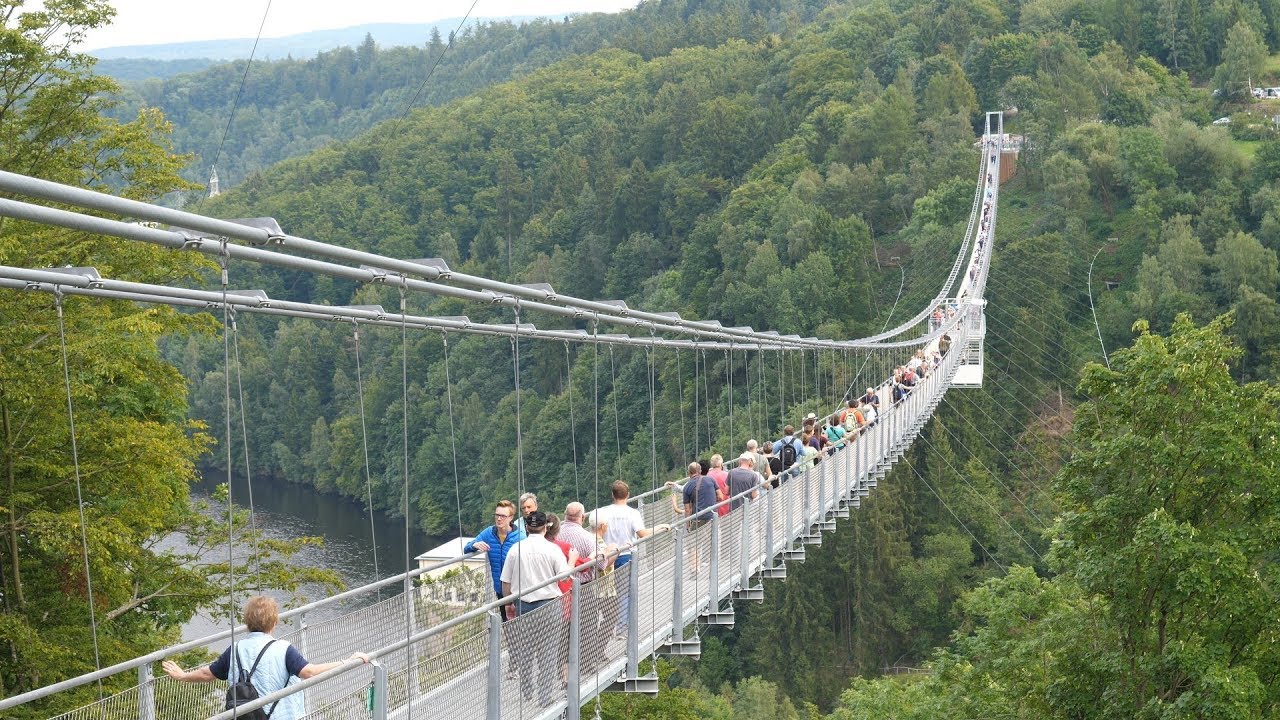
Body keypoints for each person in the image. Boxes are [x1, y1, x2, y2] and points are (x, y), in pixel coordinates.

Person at [162, 596, 370, 719]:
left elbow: (208, 673)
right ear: (275, 622)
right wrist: (349, 661)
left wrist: (182, 676)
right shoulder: (284, 649)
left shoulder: (235, 649)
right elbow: (309, 672)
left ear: (247, 622)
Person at [500, 511, 569, 705]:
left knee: (526, 648)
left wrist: (508, 603)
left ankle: (527, 690)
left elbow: (506, 581)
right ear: (546, 527)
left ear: (527, 528)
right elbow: (564, 577)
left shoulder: (515, 549)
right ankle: (544, 697)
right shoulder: (553, 549)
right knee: (548, 650)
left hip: (524, 605)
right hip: (549, 605)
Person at [465, 500, 526, 620]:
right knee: (506, 623)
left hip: (518, 590)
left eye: (503, 516)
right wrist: (474, 545)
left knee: (521, 625)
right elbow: (466, 548)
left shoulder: (519, 537)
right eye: (497, 515)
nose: (499, 519)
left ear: (511, 517)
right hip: (500, 590)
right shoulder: (489, 533)